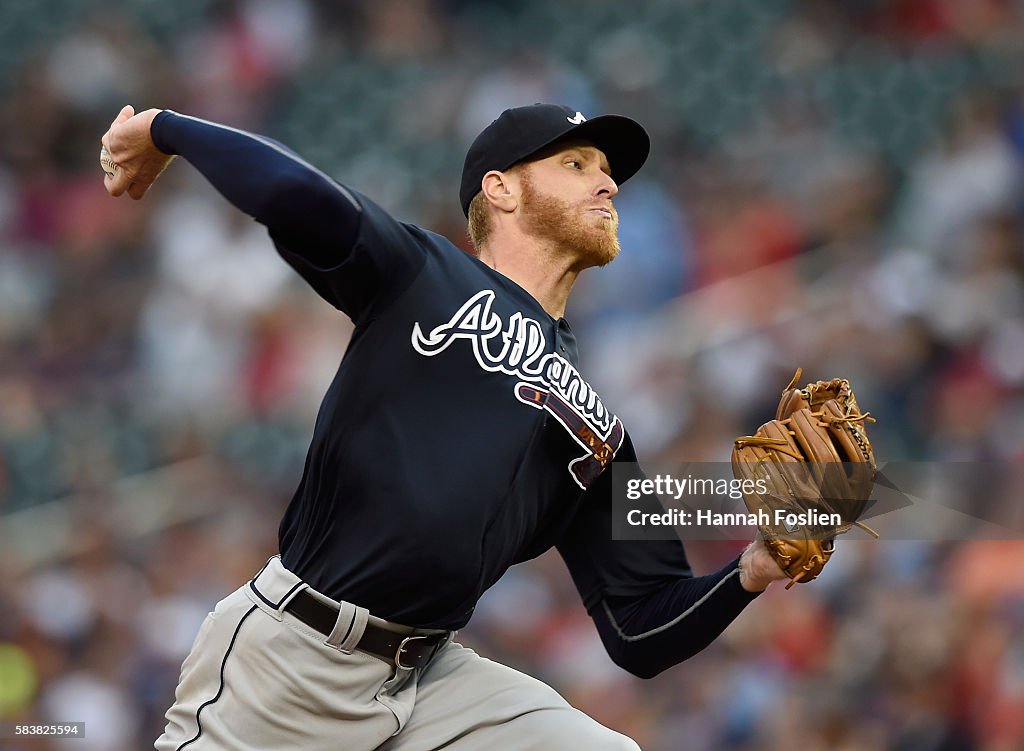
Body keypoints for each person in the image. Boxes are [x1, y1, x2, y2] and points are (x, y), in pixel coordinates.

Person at [101, 102, 786, 751]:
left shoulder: (594, 422)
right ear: (502, 190)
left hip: (431, 679)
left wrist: (752, 568)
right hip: (295, 656)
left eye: (606, 171)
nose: (607, 182)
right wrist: (167, 127)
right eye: (577, 165)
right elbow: (296, 194)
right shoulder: (423, 274)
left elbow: (642, 623)